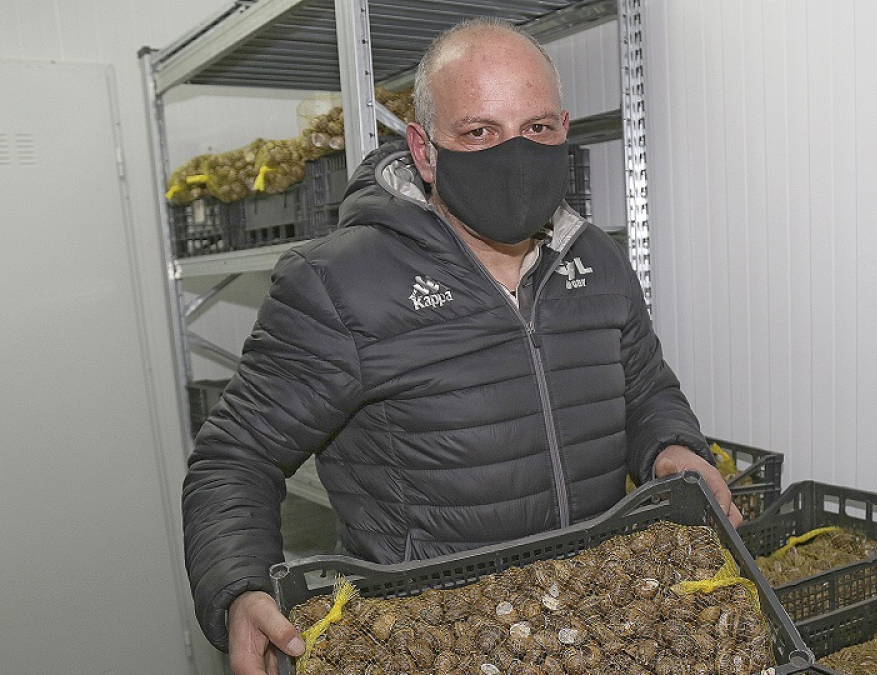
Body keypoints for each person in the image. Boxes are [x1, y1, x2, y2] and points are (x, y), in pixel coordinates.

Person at [181, 17, 739, 675]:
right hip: (433, 643)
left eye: (537, 128)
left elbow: (644, 388)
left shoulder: (596, 258)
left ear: (563, 130)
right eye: (479, 131)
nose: (514, 155)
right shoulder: (340, 284)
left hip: (590, 627)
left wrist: (671, 446)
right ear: (424, 150)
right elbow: (236, 456)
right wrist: (241, 587)